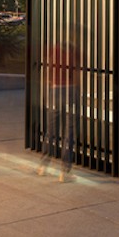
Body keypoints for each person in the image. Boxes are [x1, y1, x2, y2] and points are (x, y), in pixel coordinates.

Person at [37, 28, 81, 182]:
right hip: (69, 91)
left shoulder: (54, 49)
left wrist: (48, 91)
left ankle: (43, 166)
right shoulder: (75, 51)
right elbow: (75, 74)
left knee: (51, 130)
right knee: (69, 132)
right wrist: (77, 93)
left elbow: (48, 71)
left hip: (54, 91)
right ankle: (65, 172)